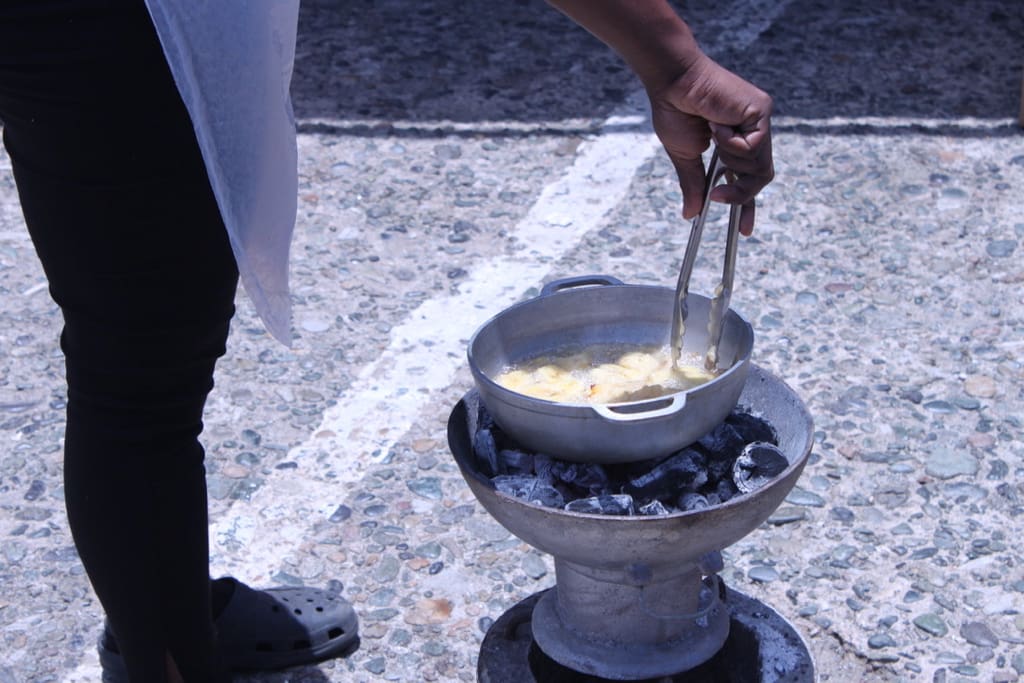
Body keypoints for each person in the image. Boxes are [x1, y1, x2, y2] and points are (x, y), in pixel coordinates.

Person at [0, 1, 772, 681]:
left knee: (154, 354)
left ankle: (164, 612)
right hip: (108, 26)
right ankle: (159, 656)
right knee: (138, 373)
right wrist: (673, 59)